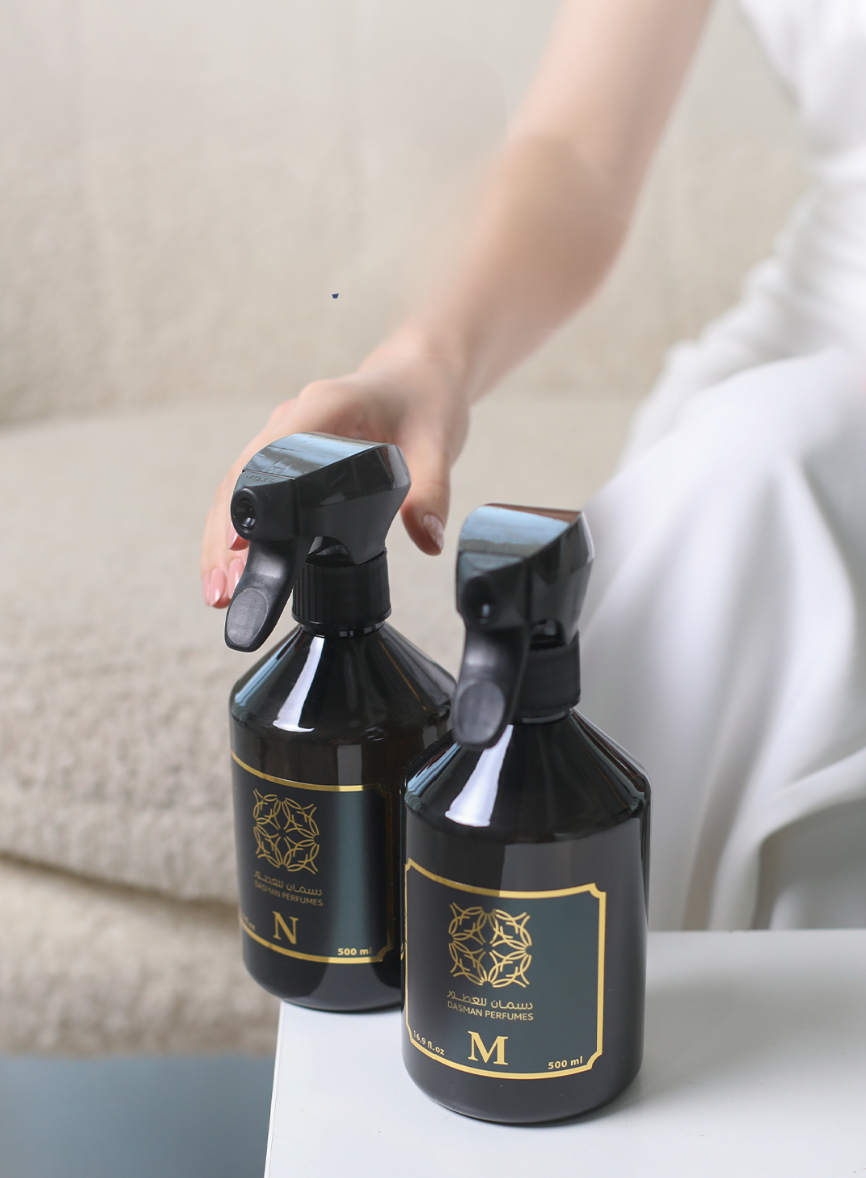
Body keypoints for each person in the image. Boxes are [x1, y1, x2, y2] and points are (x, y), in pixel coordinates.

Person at [201, 0, 866, 931]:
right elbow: (577, 151)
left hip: (784, 451)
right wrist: (423, 358)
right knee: (731, 503)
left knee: (764, 480)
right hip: (797, 362)